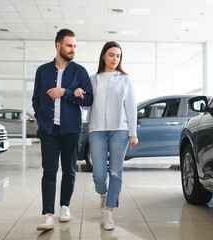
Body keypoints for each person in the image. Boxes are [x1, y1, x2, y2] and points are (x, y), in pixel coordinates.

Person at [32, 28, 93, 231]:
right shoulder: (42, 71)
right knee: (49, 170)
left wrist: (65, 92)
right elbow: (36, 100)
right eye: (69, 45)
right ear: (58, 45)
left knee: (69, 170)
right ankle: (47, 214)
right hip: (49, 130)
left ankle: (64, 206)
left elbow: (88, 98)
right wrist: (42, 122)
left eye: (74, 46)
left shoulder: (80, 71)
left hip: (71, 130)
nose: (72, 49)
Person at [87, 41, 138, 230]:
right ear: (103, 56)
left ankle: (109, 212)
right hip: (97, 130)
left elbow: (131, 108)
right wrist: (77, 93)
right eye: (111, 55)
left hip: (120, 131)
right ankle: (103, 194)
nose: (115, 59)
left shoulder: (125, 79)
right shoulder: (93, 79)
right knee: (99, 175)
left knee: (115, 172)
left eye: (118, 56)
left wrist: (133, 133)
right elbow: (86, 104)